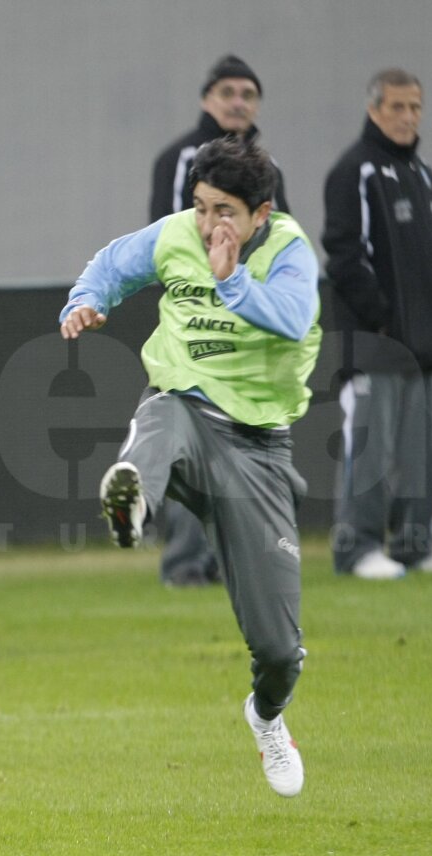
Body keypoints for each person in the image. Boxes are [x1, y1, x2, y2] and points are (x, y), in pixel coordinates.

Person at [61, 137, 321, 798]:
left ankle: (266, 716)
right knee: (161, 415)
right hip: (185, 412)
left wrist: (231, 278)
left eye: (225, 211)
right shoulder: (178, 234)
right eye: (202, 208)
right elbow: (112, 264)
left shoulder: (290, 251)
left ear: (261, 213)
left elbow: (293, 321)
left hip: (258, 450)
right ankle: (134, 505)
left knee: (280, 651)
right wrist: (84, 303)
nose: (209, 226)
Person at [147, 53, 290, 588]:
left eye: (248, 94)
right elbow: (166, 240)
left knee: (247, 446)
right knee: (191, 445)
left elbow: (281, 241)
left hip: (251, 328)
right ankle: (185, 564)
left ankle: (237, 562)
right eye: (228, 92)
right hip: (199, 328)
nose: (238, 102)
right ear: (207, 99)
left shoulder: (266, 167)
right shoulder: (181, 158)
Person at [322, 68, 432, 580]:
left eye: (415, 107)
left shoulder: (422, 174)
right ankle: (356, 549)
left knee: (423, 454)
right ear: (374, 109)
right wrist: (382, 319)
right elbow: (342, 256)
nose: (408, 117)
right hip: (376, 344)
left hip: (424, 344)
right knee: (372, 450)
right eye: (397, 107)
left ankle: (415, 546)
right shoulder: (354, 171)